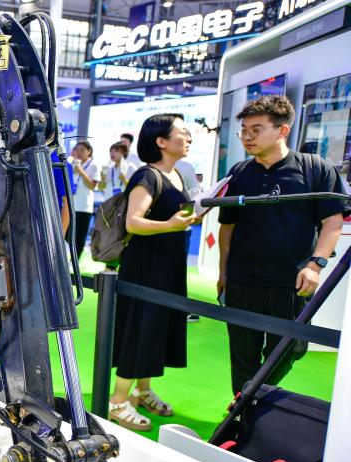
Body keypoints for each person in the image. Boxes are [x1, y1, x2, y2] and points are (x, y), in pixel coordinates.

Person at [217, 95, 347, 395]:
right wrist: (223, 272)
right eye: (244, 130)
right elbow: (228, 227)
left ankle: (251, 401)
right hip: (243, 281)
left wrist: (316, 265)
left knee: (292, 349)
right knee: (242, 354)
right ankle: (242, 415)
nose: (247, 137)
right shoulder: (239, 172)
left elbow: (332, 222)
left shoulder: (314, 168)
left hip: (292, 284)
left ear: (282, 130)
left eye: (256, 129)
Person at [109, 114, 198, 431]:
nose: (188, 137)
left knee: (157, 327)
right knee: (141, 327)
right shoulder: (147, 175)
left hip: (168, 263)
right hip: (146, 265)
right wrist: (170, 225)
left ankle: (142, 391)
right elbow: (133, 222)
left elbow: (173, 217)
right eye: (181, 132)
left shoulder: (177, 175)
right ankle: (118, 401)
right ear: (161, 141)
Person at [67, 141, 99, 258]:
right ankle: (70, 257)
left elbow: (92, 185)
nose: (79, 152)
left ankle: (75, 261)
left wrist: (81, 172)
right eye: (77, 149)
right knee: (67, 232)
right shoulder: (71, 164)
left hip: (84, 206)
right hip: (71, 204)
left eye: (82, 150)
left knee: (80, 237)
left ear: (89, 151)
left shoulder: (93, 165)